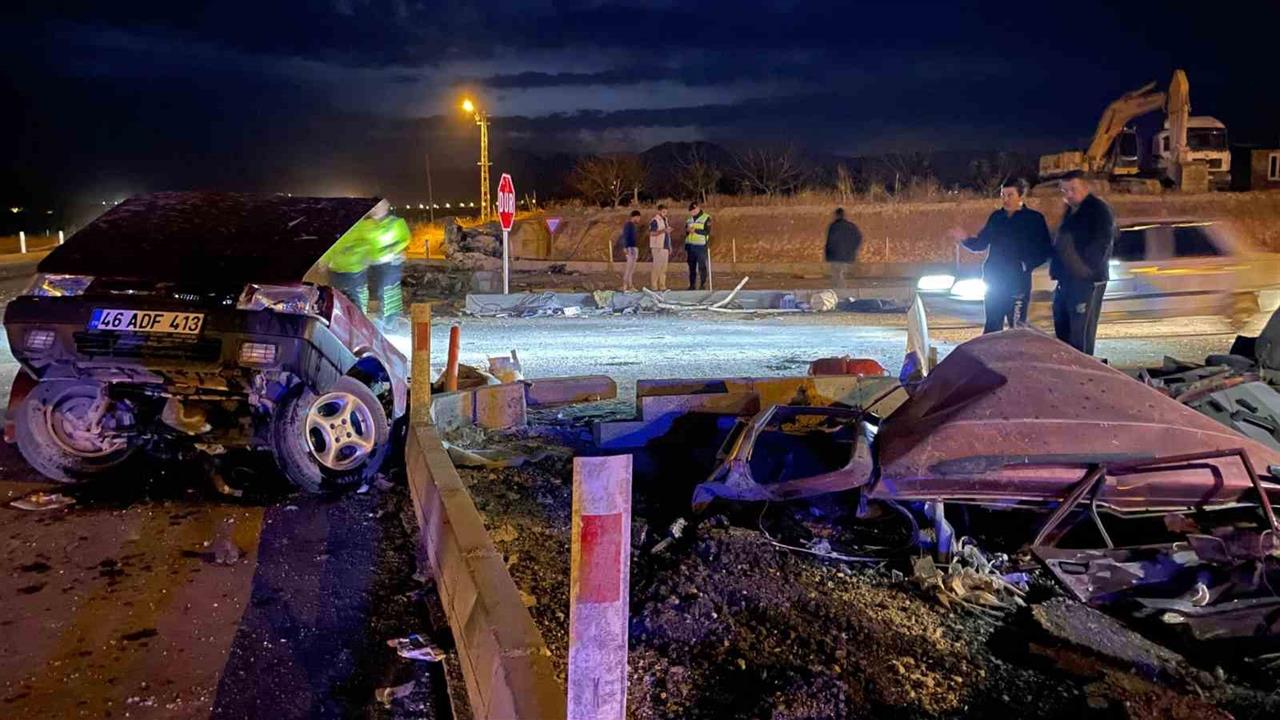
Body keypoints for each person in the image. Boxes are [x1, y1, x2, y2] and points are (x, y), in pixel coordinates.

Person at [947, 178, 1052, 333]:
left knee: (1016, 327)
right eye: (1002, 195)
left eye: (1010, 195)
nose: (1005, 199)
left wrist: (1026, 264)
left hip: (1018, 281)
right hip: (994, 279)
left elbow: (1044, 250)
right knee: (992, 325)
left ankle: (1015, 356)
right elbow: (981, 243)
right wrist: (965, 239)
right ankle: (990, 356)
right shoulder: (997, 218)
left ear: (1021, 196)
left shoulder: (1033, 219)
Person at [1050, 171, 1116, 355]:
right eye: (1064, 191)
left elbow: (1100, 243)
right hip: (1067, 280)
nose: (1068, 194)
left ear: (1086, 187)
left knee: (1080, 336)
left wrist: (1083, 269)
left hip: (1085, 281)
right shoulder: (1071, 211)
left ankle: (1083, 375)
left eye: (1073, 189)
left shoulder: (1098, 211)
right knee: (1064, 330)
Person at [367, 215, 411, 327]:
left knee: (388, 291)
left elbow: (405, 238)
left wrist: (393, 250)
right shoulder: (369, 225)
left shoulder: (395, 222)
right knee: (383, 291)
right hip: (376, 262)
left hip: (391, 262)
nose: (375, 211)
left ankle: (390, 322)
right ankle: (388, 321)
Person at [824, 207, 863, 289]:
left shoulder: (833, 227)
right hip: (847, 256)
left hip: (835, 256)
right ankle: (842, 290)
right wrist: (853, 250)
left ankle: (841, 291)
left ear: (837, 215)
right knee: (840, 274)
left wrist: (828, 255)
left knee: (837, 275)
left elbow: (830, 242)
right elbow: (858, 237)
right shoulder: (851, 226)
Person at [684, 202, 712, 290]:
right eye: (690, 211)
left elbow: (707, 232)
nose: (691, 212)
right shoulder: (689, 219)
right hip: (690, 246)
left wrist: (695, 230)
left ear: (698, 209)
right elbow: (686, 231)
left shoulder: (706, 218)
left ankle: (702, 284)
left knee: (702, 266)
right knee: (691, 267)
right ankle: (692, 285)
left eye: (693, 210)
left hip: (701, 246)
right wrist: (688, 230)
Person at [648, 204, 671, 291]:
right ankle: (654, 285)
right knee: (657, 266)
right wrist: (663, 231)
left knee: (664, 268)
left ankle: (662, 285)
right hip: (657, 246)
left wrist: (669, 246)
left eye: (666, 212)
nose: (665, 213)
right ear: (659, 211)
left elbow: (667, 236)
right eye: (663, 212)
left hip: (665, 246)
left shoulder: (665, 220)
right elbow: (652, 233)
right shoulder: (655, 220)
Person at [620, 210, 642, 291]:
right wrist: (625, 247)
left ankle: (630, 285)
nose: (639, 219)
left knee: (632, 268)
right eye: (638, 217)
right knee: (629, 267)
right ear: (635, 217)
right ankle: (625, 285)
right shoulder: (628, 225)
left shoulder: (633, 226)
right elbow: (625, 236)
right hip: (630, 248)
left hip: (633, 247)